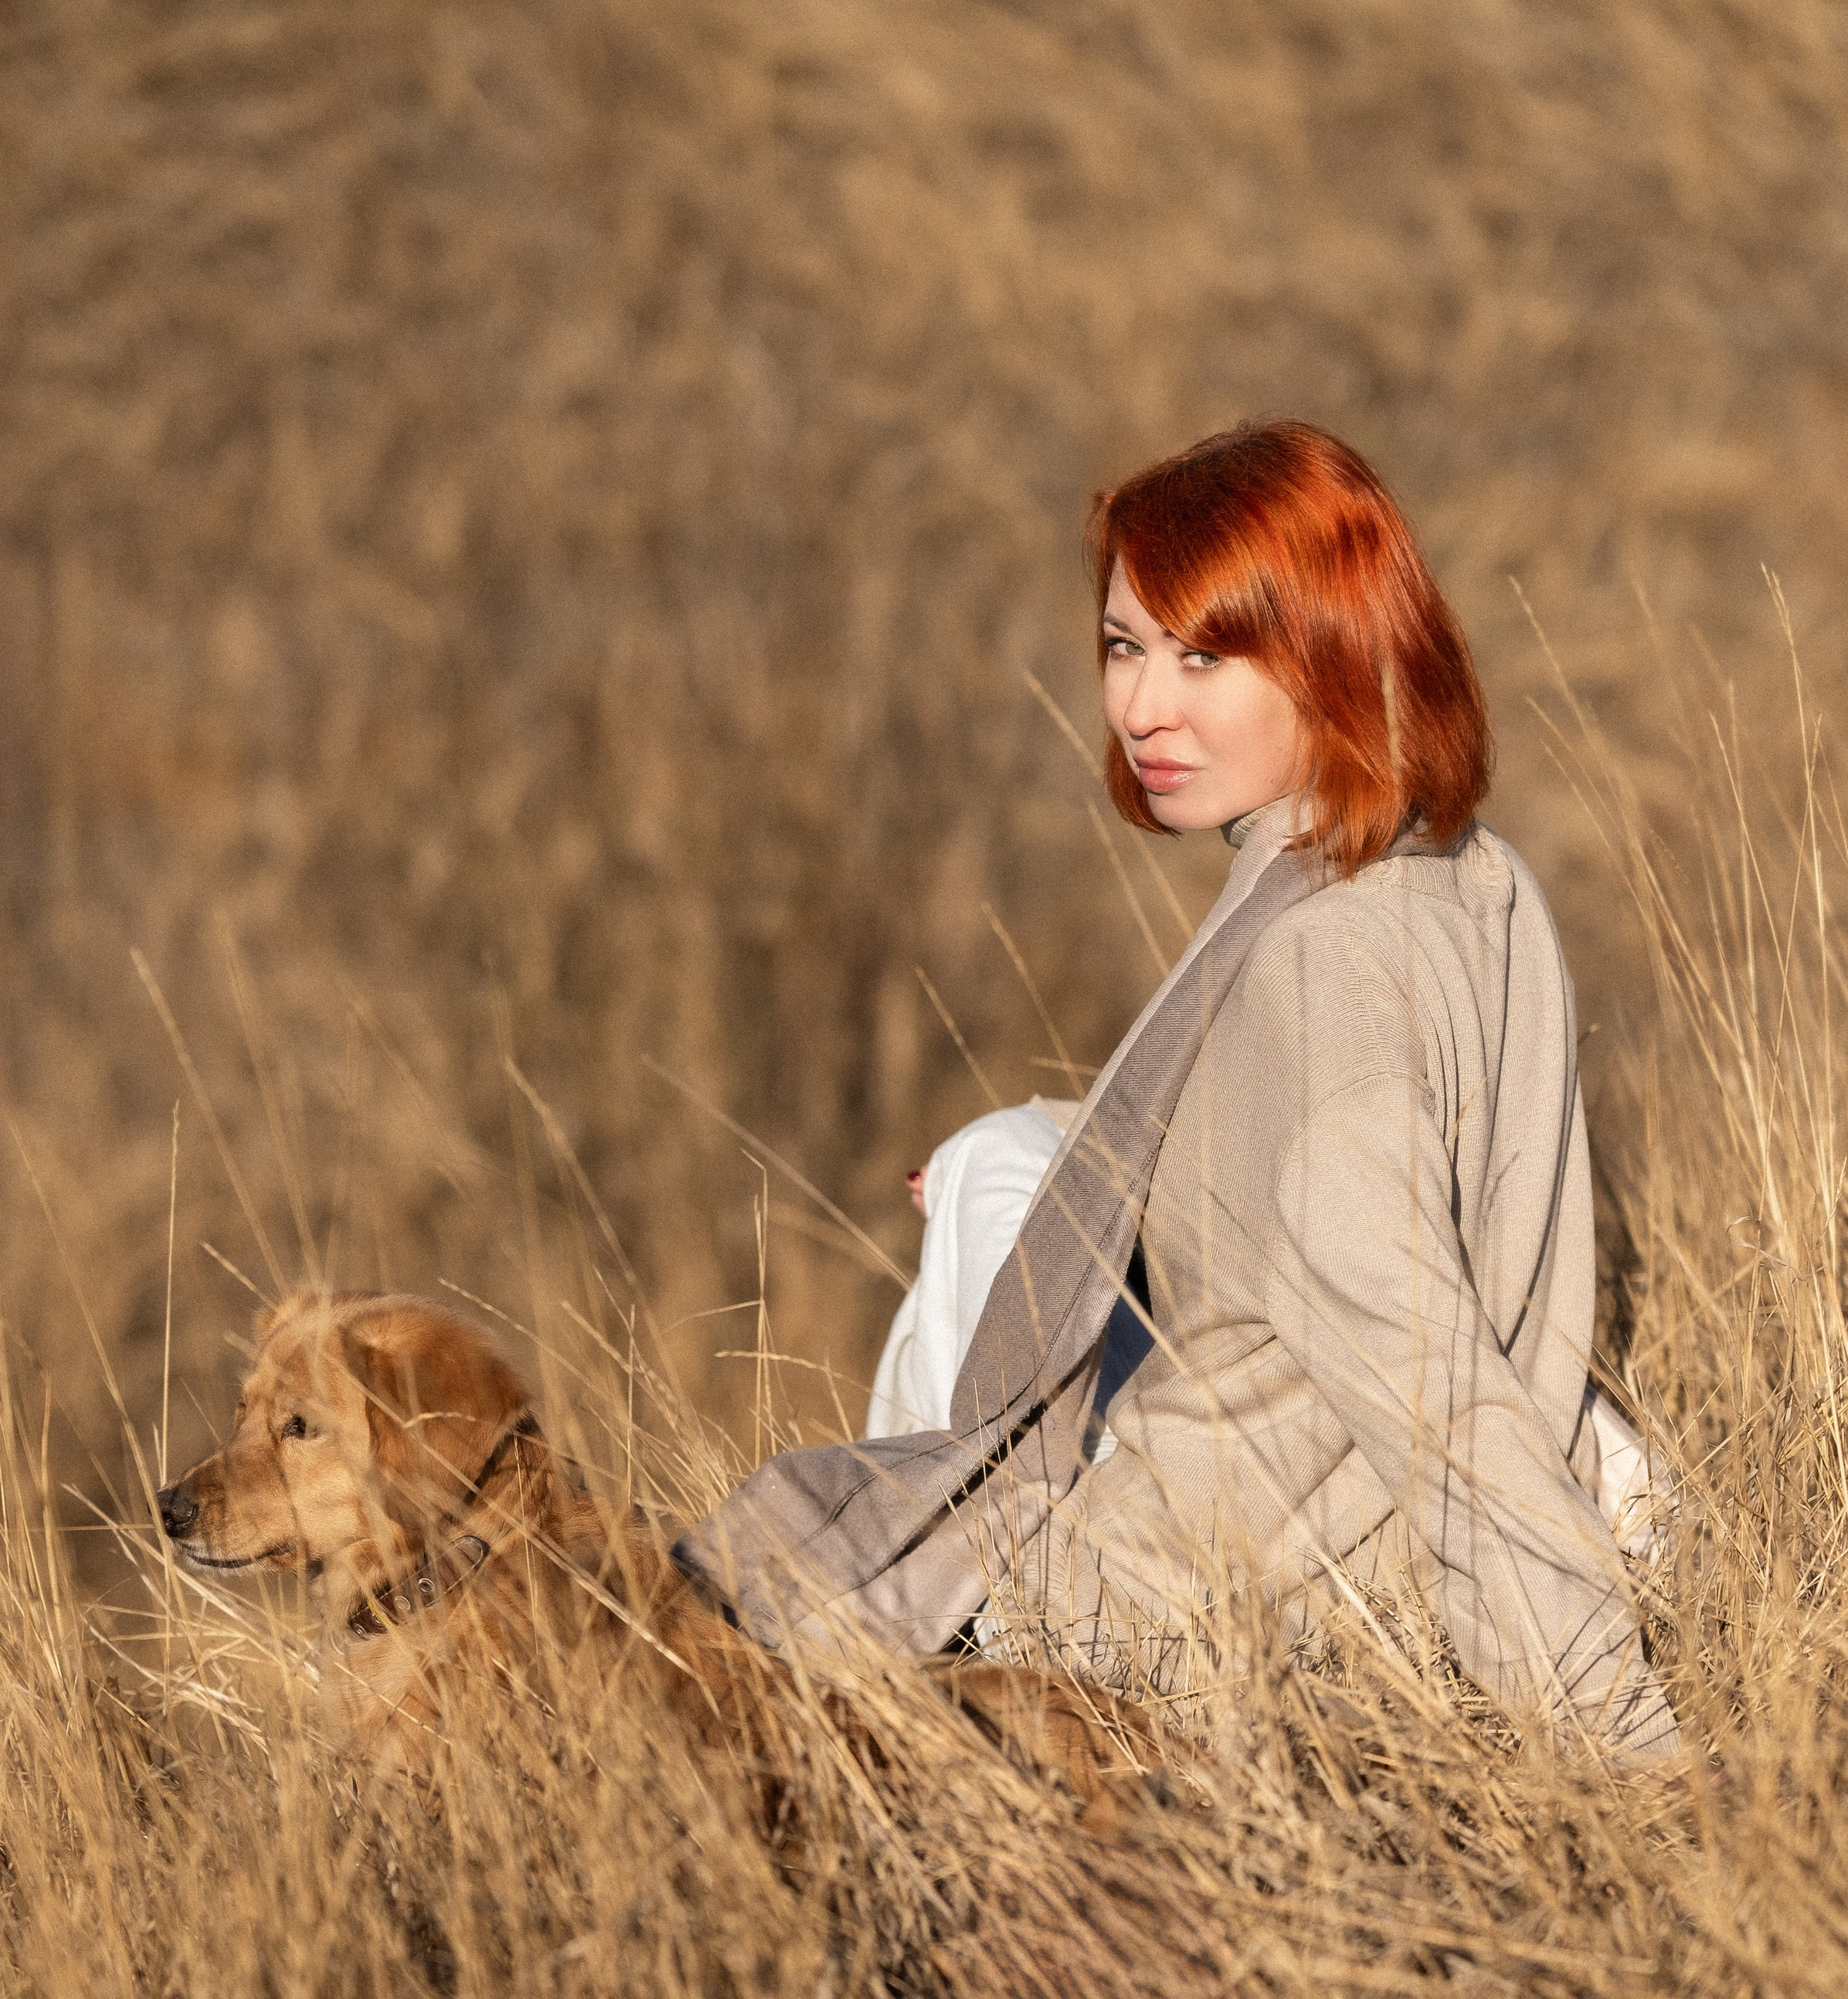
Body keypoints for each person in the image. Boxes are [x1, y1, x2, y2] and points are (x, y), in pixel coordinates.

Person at [678, 420, 1679, 1761]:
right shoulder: (1461, 871)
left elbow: (1422, 1370)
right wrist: (1035, 1144)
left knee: (732, 1609)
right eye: (1124, 648)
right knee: (994, 1172)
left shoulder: (1319, 963)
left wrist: (1626, 1746)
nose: (1145, 707)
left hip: (1163, 1629)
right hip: (1256, 1556)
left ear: (1332, 649)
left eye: (1205, 657)